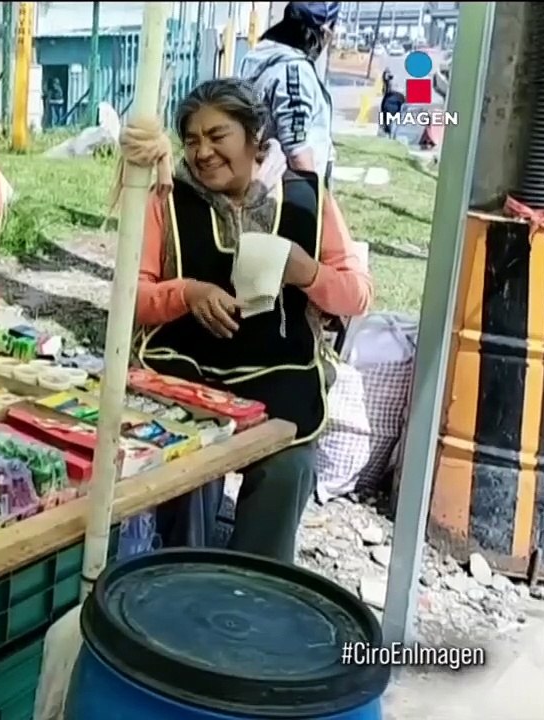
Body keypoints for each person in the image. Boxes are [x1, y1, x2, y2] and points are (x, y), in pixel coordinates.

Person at [118, 78, 372, 563]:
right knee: (185, 472)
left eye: (218, 136)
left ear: (255, 136)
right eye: (192, 140)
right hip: (185, 377)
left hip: (281, 379)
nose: (203, 153)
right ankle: (177, 573)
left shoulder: (308, 199)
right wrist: (186, 294)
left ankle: (253, 580)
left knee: (288, 468)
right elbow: (132, 296)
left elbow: (357, 296)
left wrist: (309, 273)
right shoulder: (165, 199)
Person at [239, 2, 341, 183]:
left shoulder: (259, 56)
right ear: (324, 31)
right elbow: (297, 151)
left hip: (260, 181)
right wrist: (317, 194)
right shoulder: (294, 70)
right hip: (288, 190)